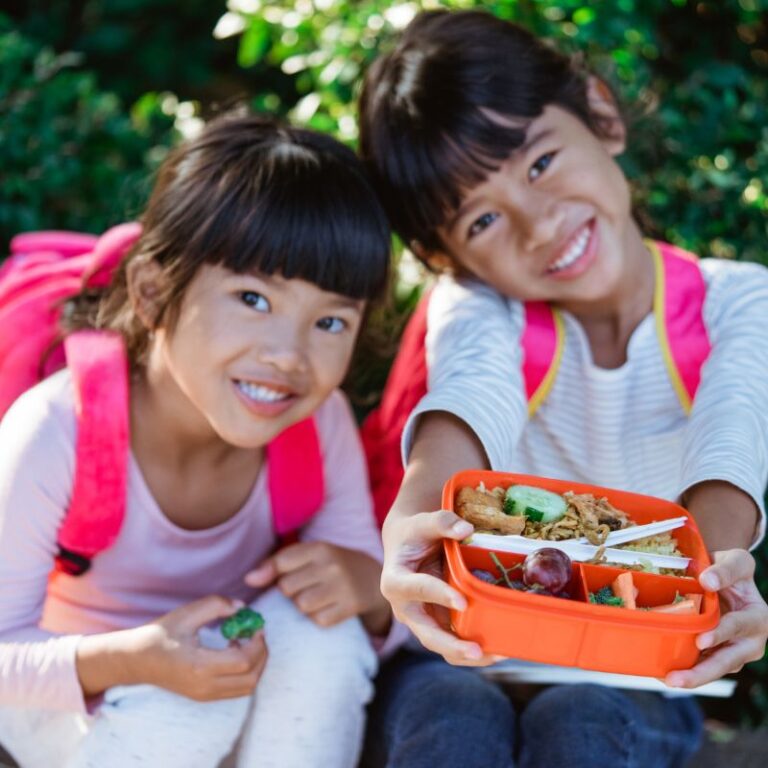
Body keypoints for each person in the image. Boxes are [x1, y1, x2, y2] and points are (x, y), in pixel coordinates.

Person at [356, 9, 768, 768]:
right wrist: (414, 522)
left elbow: (731, 439)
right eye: (481, 219)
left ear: (600, 114)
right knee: (449, 715)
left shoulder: (738, 303)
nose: (537, 225)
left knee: (581, 717)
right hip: (460, 650)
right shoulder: (481, 305)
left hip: (631, 672)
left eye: (540, 162)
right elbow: (468, 397)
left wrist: (716, 572)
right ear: (444, 257)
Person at [0, 113, 401, 768]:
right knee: (188, 706)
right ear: (154, 293)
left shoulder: (316, 424)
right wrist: (137, 661)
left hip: (226, 694)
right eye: (253, 299)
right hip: (69, 706)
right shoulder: (56, 432)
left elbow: (363, 603)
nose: (289, 356)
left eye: (329, 320)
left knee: (323, 633)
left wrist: (371, 585)